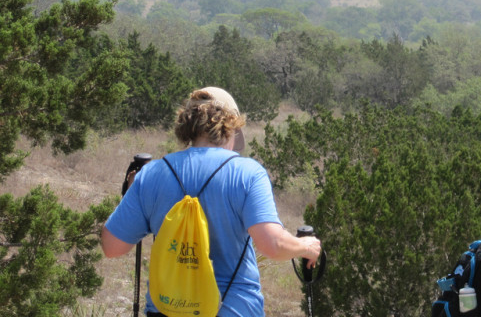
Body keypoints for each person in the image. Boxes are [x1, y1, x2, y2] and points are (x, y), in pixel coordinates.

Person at [101, 87, 321, 316]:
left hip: (166, 308)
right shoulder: (248, 173)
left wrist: (135, 190)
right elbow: (272, 245)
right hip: (232, 308)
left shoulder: (151, 174)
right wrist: (307, 247)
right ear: (230, 126)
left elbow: (112, 247)